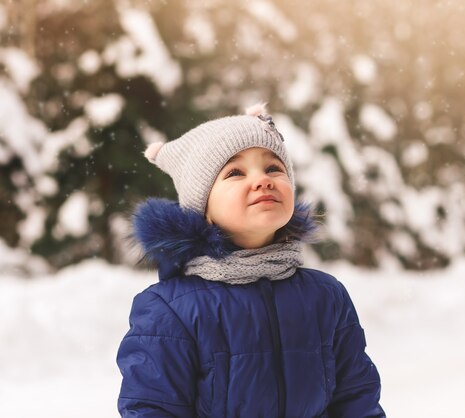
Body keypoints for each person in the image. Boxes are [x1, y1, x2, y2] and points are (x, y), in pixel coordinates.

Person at [116, 103, 385, 417]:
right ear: (202, 207)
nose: (262, 180)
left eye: (273, 168)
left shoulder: (325, 296)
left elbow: (357, 398)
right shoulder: (172, 309)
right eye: (235, 173)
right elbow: (153, 408)